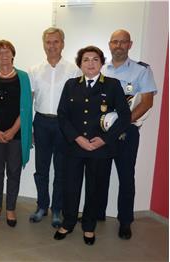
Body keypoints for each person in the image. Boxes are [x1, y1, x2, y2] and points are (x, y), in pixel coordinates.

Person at [54, 46, 130, 245]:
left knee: (95, 189)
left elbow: (125, 117)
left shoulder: (112, 85)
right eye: (86, 59)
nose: (90, 63)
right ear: (80, 64)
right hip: (74, 147)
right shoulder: (71, 85)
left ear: (101, 63)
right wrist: (77, 138)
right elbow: (62, 116)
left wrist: (105, 139)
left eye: (95, 59)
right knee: (70, 187)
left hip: (101, 149)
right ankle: (68, 222)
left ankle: (89, 227)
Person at [99, 29, 157, 239]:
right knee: (100, 174)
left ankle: (125, 221)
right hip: (103, 132)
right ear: (109, 44)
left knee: (126, 177)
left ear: (130, 45)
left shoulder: (142, 71)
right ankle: (97, 214)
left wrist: (122, 124)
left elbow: (147, 102)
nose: (119, 45)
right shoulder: (100, 69)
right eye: (115, 42)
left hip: (127, 132)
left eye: (123, 42)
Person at [28, 27, 80, 227]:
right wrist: (29, 129)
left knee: (61, 169)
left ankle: (57, 209)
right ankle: (42, 205)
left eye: (56, 42)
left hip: (63, 124)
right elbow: (30, 101)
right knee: (41, 169)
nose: (52, 46)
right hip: (41, 122)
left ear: (63, 44)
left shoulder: (73, 70)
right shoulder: (34, 70)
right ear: (44, 44)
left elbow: (75, 103)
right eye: (48, 42)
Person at [0, 40, 32, 227]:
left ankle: (10, 208)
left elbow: (25, 109)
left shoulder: (23, 77)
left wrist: (12, 131)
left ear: (13, 54)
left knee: (14, 171)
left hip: (16, 135)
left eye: (7, 51)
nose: (3, 55)